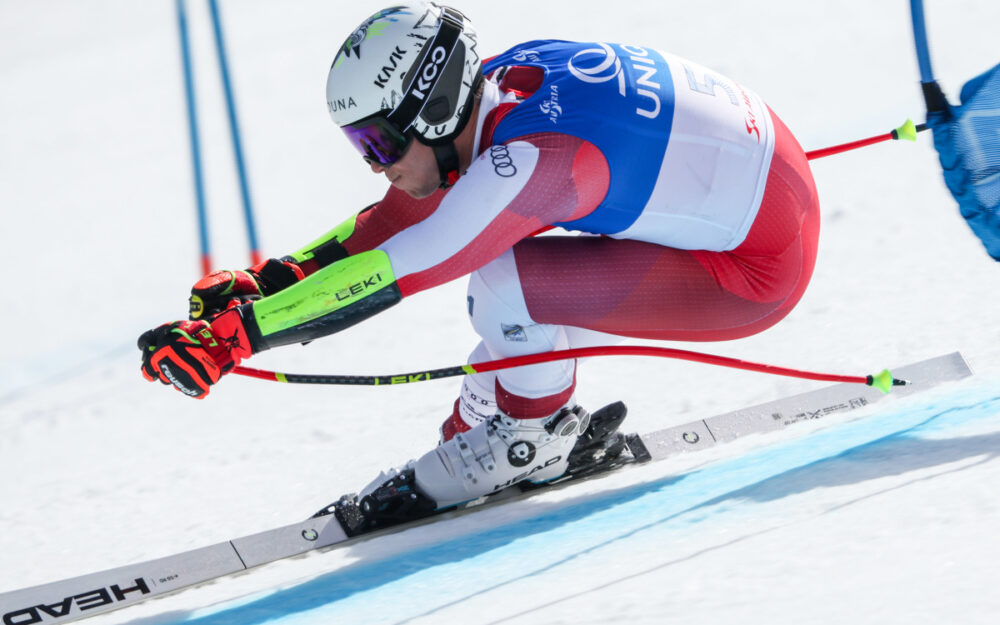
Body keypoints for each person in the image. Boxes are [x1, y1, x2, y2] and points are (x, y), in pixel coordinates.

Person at [139, 2, 820, 527]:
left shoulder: (531, 159)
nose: (376, 165)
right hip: (761, 200)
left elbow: (398, 265)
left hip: (753, 270)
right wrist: (274, 281)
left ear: (436, 110)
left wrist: (237, 336)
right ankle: (505, 413)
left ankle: (533, 437)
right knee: (507, 319)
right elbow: (400, 216)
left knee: (503, 281)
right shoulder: (495, 85)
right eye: (360, 145)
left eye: (380, 141)